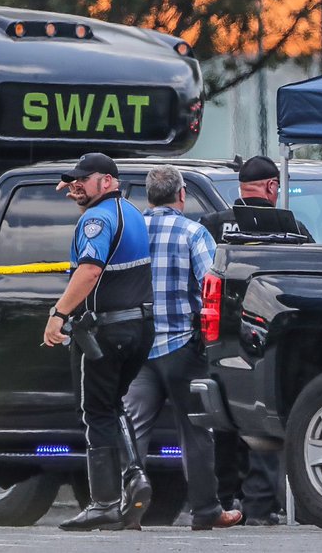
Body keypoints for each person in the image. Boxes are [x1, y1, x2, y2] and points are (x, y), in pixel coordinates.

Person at [122, 165, 243, 530]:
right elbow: (211, 285)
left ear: (148, 196)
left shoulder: (129, 233)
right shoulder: (193, 232)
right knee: (195, 431)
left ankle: (128, 509)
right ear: (181, 195)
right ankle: (206, 511)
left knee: (133, 428)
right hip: (181, 347)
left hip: (137, 347)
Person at [44, 153, 155, 532]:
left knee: (95, 412)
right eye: (73, 181)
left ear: (107, 181)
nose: (76, 186)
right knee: (112, 404)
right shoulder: (132, 213)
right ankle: (134, 478)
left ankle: (105, 502)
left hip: (104, 331)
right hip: (140, 328)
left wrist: (58, 314)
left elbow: (90, 271)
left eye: (84, 180)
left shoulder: (95, 220)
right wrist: (76, 184)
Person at [200, 155, 288, 526]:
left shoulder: (212, 225)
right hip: (266, 339)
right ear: (271, 187)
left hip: (216, 337)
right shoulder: (290, 229)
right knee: (262, 419)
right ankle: (260, 506)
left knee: (221, 419)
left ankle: (222, 500)